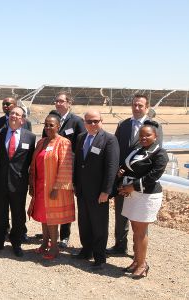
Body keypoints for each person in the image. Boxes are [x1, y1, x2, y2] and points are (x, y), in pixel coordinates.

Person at [107, 94, 164, 256]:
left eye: (140, 105)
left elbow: (155, 154)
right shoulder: (123, 125)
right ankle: (120, 245)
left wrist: (138, 182)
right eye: (134, 105)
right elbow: (116, 149)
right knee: (120, 213)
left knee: (139, 220)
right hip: (123, 177)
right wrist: (118, 175)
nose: (137, 108)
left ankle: (138, 252)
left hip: (141, 182)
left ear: (147, 107)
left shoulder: (153, 126)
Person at [116, 121, 168, 279]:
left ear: (156, 136)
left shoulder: (160, 153)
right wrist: (121, 174)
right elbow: (129, 167)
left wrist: (133, 186)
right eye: (141, 135)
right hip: (132, 194)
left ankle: (142, 265)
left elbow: (154, 175)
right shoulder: (138, 150)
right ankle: (136, 260)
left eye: (148, 135)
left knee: (141, 232)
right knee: (135, 230)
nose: (144, 138)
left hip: (147, 195)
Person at [73, 110, 119, 270]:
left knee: (99, 224)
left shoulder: (109, 139)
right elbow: (78, 163)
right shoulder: (80, 138)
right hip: (82, 190)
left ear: (102, 121)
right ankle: (86, 250)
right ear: (84, 123)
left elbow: (112, 167)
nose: (93, 124)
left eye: (96, 121)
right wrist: (75, 183)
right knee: (84, 222)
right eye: (89, 121)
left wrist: (106, 191)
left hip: (99, 192)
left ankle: (99, 257)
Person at [41, 92, 86, 248]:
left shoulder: (77, 121)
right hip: (50, 167)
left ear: (69, 103)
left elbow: (81, 144)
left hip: (67, 168)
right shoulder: (50, 119)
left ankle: (64, 235)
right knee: (50, 201)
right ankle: (50, 232)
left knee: (64, 201)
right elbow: (44, 139)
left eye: (61, 101)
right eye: (56, 101)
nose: (58, 103)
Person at [27, 113, 75, 260]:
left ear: (58, 126)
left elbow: (65, 166)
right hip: (40, 185)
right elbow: (34, 164)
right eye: (46, 124)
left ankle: (54, 247)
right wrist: (31, 184)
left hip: (54, 187)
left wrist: (57, 187)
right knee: (43, 216)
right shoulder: (41, 142)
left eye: (51, 125)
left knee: (52, 218)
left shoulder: (63, 143)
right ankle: (44, 243)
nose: (48, 127)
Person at [0, 106, 36, 257]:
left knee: (18, 215)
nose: (14, 116)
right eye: (12, 113)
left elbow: (30, 161)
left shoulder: (30, 137)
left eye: (17, 114)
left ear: (23, 120)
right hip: (0, 182)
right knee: (0, 214)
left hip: (19, 183)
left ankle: (16, 243)